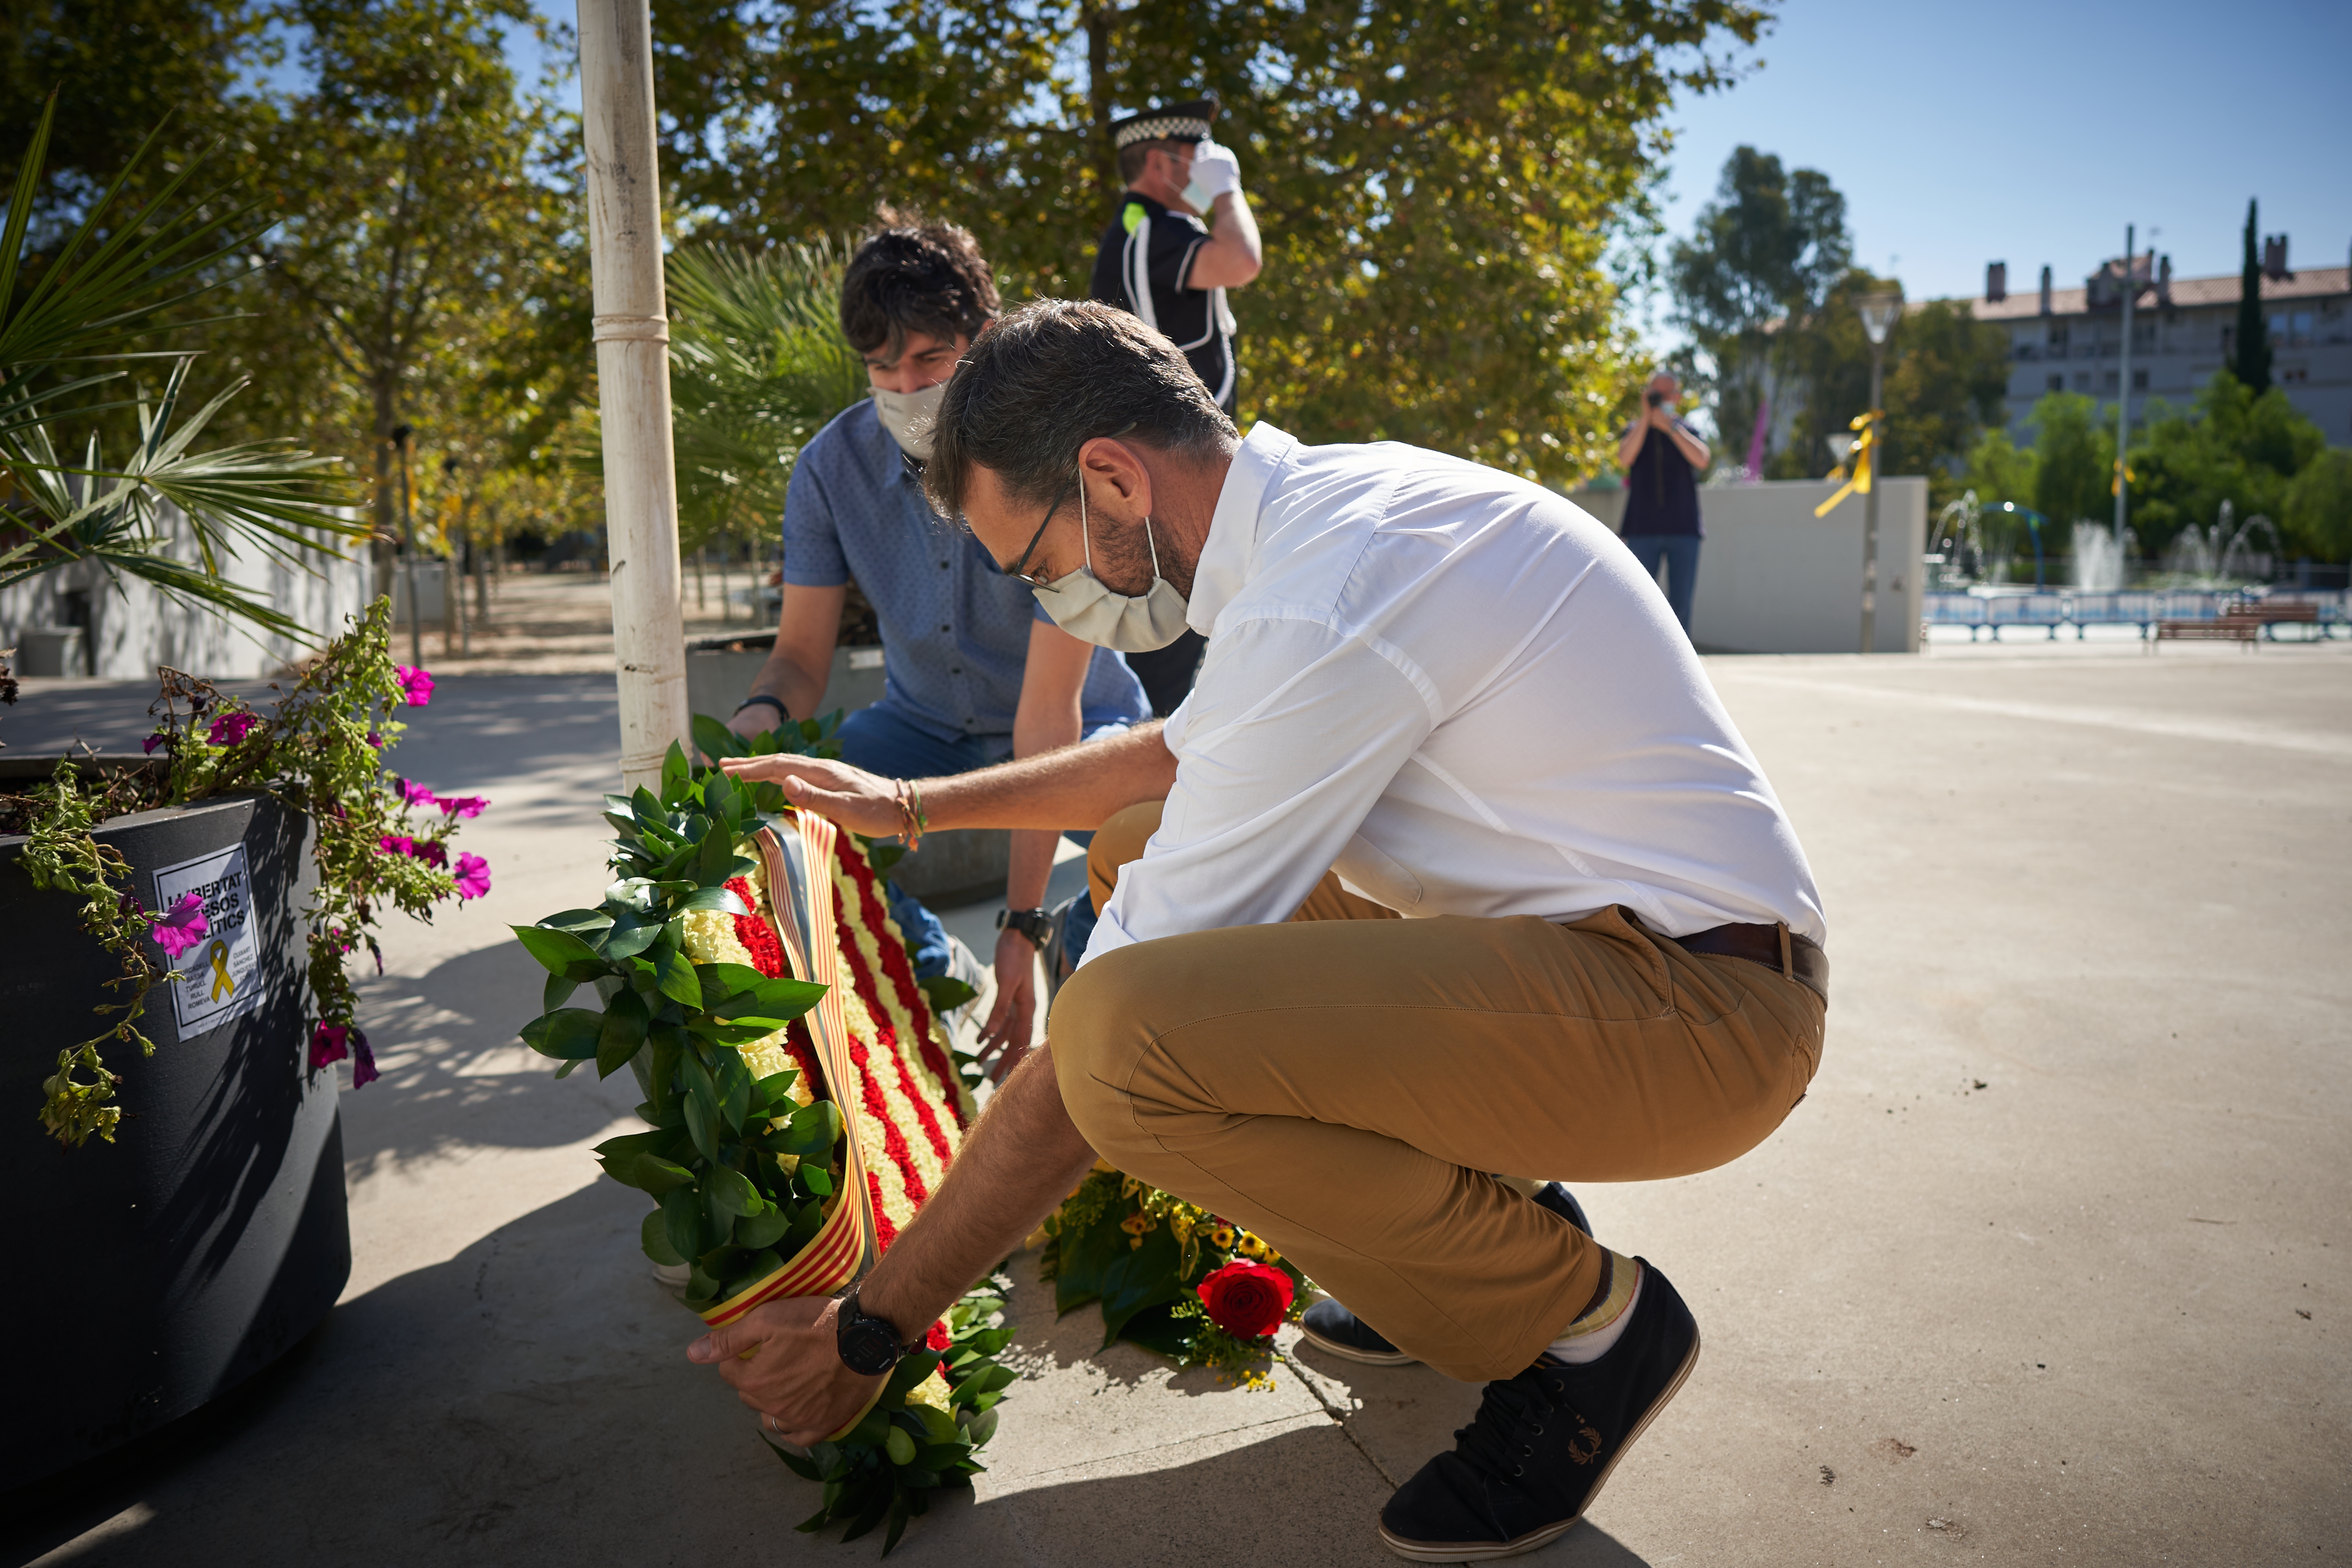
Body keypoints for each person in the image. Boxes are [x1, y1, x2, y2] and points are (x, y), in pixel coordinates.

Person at [700, 302, 1828, 1563]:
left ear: (1113, 477)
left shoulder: (1324, 600)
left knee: (1125, 1043)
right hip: (1624, 963)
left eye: (1036, 565)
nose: (1052, 606)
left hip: (1701, 1020)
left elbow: (1084, 1073)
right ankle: (1474, 1228)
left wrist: (871, 1327)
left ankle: (1589, 1333)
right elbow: (1175, 757)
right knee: (1137, 849)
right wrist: (910, 804)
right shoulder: (1328, 517)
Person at [727, 217, 1150, 1068]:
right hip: (918, 730)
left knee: (1149, 831)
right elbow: (801, 659)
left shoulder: (1051, 460)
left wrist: (1023, 927)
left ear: (982, 341)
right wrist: (753, 730)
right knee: (781, 806)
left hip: (1079, 728)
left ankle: (1088, 981)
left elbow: (1049, 721)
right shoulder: (827, 468)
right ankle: (926, 970)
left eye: (926, 360)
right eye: (882, 367)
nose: (902, 386)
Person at [1088, 95, 1262, 718]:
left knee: (1188, 667)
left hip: (1175, 476)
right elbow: (1241, 260)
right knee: (1165, 685)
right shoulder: (1149, 229)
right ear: (1162, 163)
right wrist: (1227, 192)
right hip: (1168, 485)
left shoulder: (1148, 229)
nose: (1209, 164)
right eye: (1199, 155)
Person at [1614, 372, 1712, 634]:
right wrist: (1647, 419)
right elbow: (1624, 458)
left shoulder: (1686, 429)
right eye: (1655, 394)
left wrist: (1669, 427)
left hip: (1684, 528)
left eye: (1666, 394)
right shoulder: (1635, 430)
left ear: (1677, 397)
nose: (1660, 400)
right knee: (1639, 602)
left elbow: (1702, 459)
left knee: (1681, 605)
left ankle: (1679, 670)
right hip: (1642, 528)